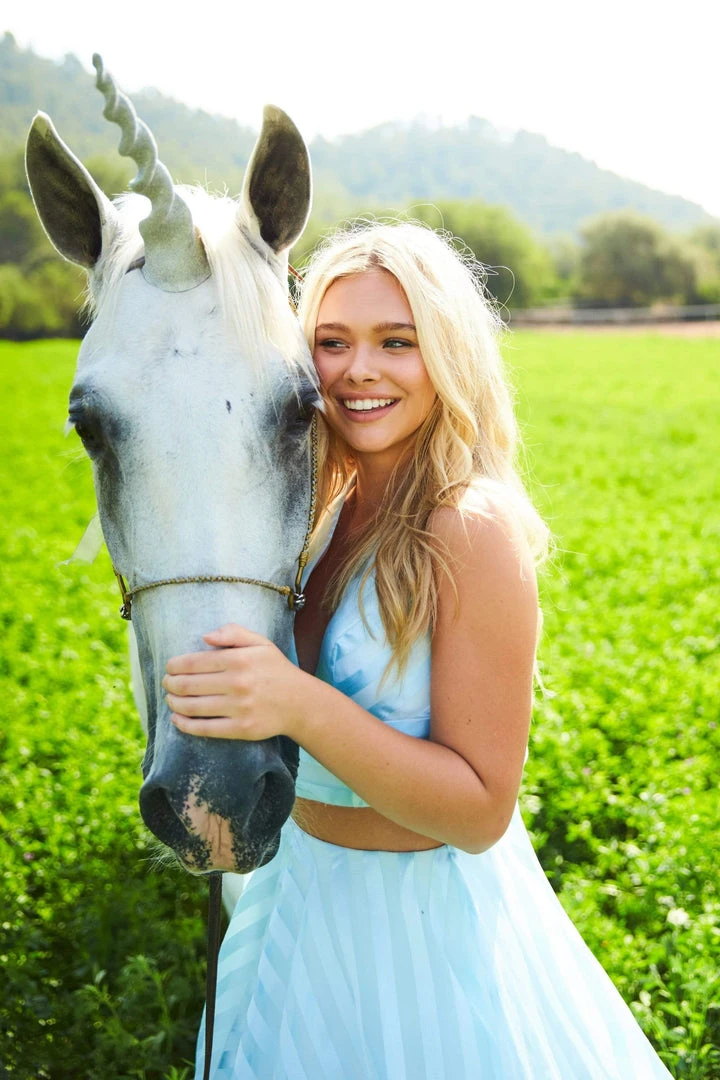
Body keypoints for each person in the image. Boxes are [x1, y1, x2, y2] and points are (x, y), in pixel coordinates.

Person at [163, 222, 673, 1078]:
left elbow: (479, 812)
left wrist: (297, 702)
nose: (359, 369)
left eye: (396, 342)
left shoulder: (465, 528)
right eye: (333, 342)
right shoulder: (321, 516)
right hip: (298, 905)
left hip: (422, 936)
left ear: (446, 354)